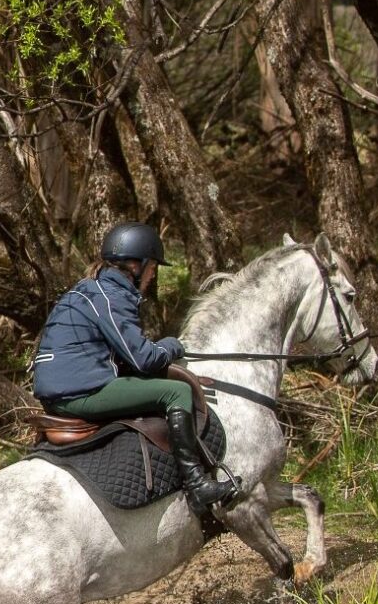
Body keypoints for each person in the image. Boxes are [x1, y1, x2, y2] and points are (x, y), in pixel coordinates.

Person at [32, 222, 241, 519]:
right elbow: (142, 358)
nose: (153, 274)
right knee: (176, 391)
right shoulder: (110, 296)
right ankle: (197, 485)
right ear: (136, 265)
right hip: (80, 393)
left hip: (61, 388)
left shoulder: (88, 290)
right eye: (153, 266)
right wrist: (172, 345)